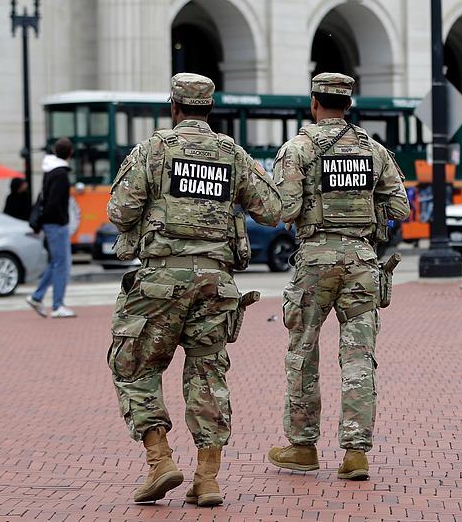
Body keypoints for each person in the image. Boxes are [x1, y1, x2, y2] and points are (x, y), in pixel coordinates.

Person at [106, 73, 281, 507]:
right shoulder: (232, 154)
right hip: (216, 284)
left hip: (161, 281)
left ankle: (159, 459)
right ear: (210, 108)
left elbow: (119, 211)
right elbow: (272, 210)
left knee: (132, 365)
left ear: (174, 107)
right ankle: (207, 479)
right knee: (207, 374)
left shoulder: (153, 149)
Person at [267, 73, 410, 481]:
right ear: (348, 105)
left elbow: (284, 210)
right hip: (363, 261)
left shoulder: (298, 148)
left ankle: (302, 447)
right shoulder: (373, 150)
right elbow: (400, 207)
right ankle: (355, 453)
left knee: (303, 353)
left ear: (314, 103)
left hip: (315, 259)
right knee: (358, 358)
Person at [26, 138, 76, 318]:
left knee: (56, 263)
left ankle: (37, 297)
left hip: (50, 223)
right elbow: (54, 203)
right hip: (57, 224)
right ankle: (57, 305)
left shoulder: (50, 171)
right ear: (70, 153)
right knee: (62, 264)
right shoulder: (61, 174)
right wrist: (62, 220)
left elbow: (46, 199)